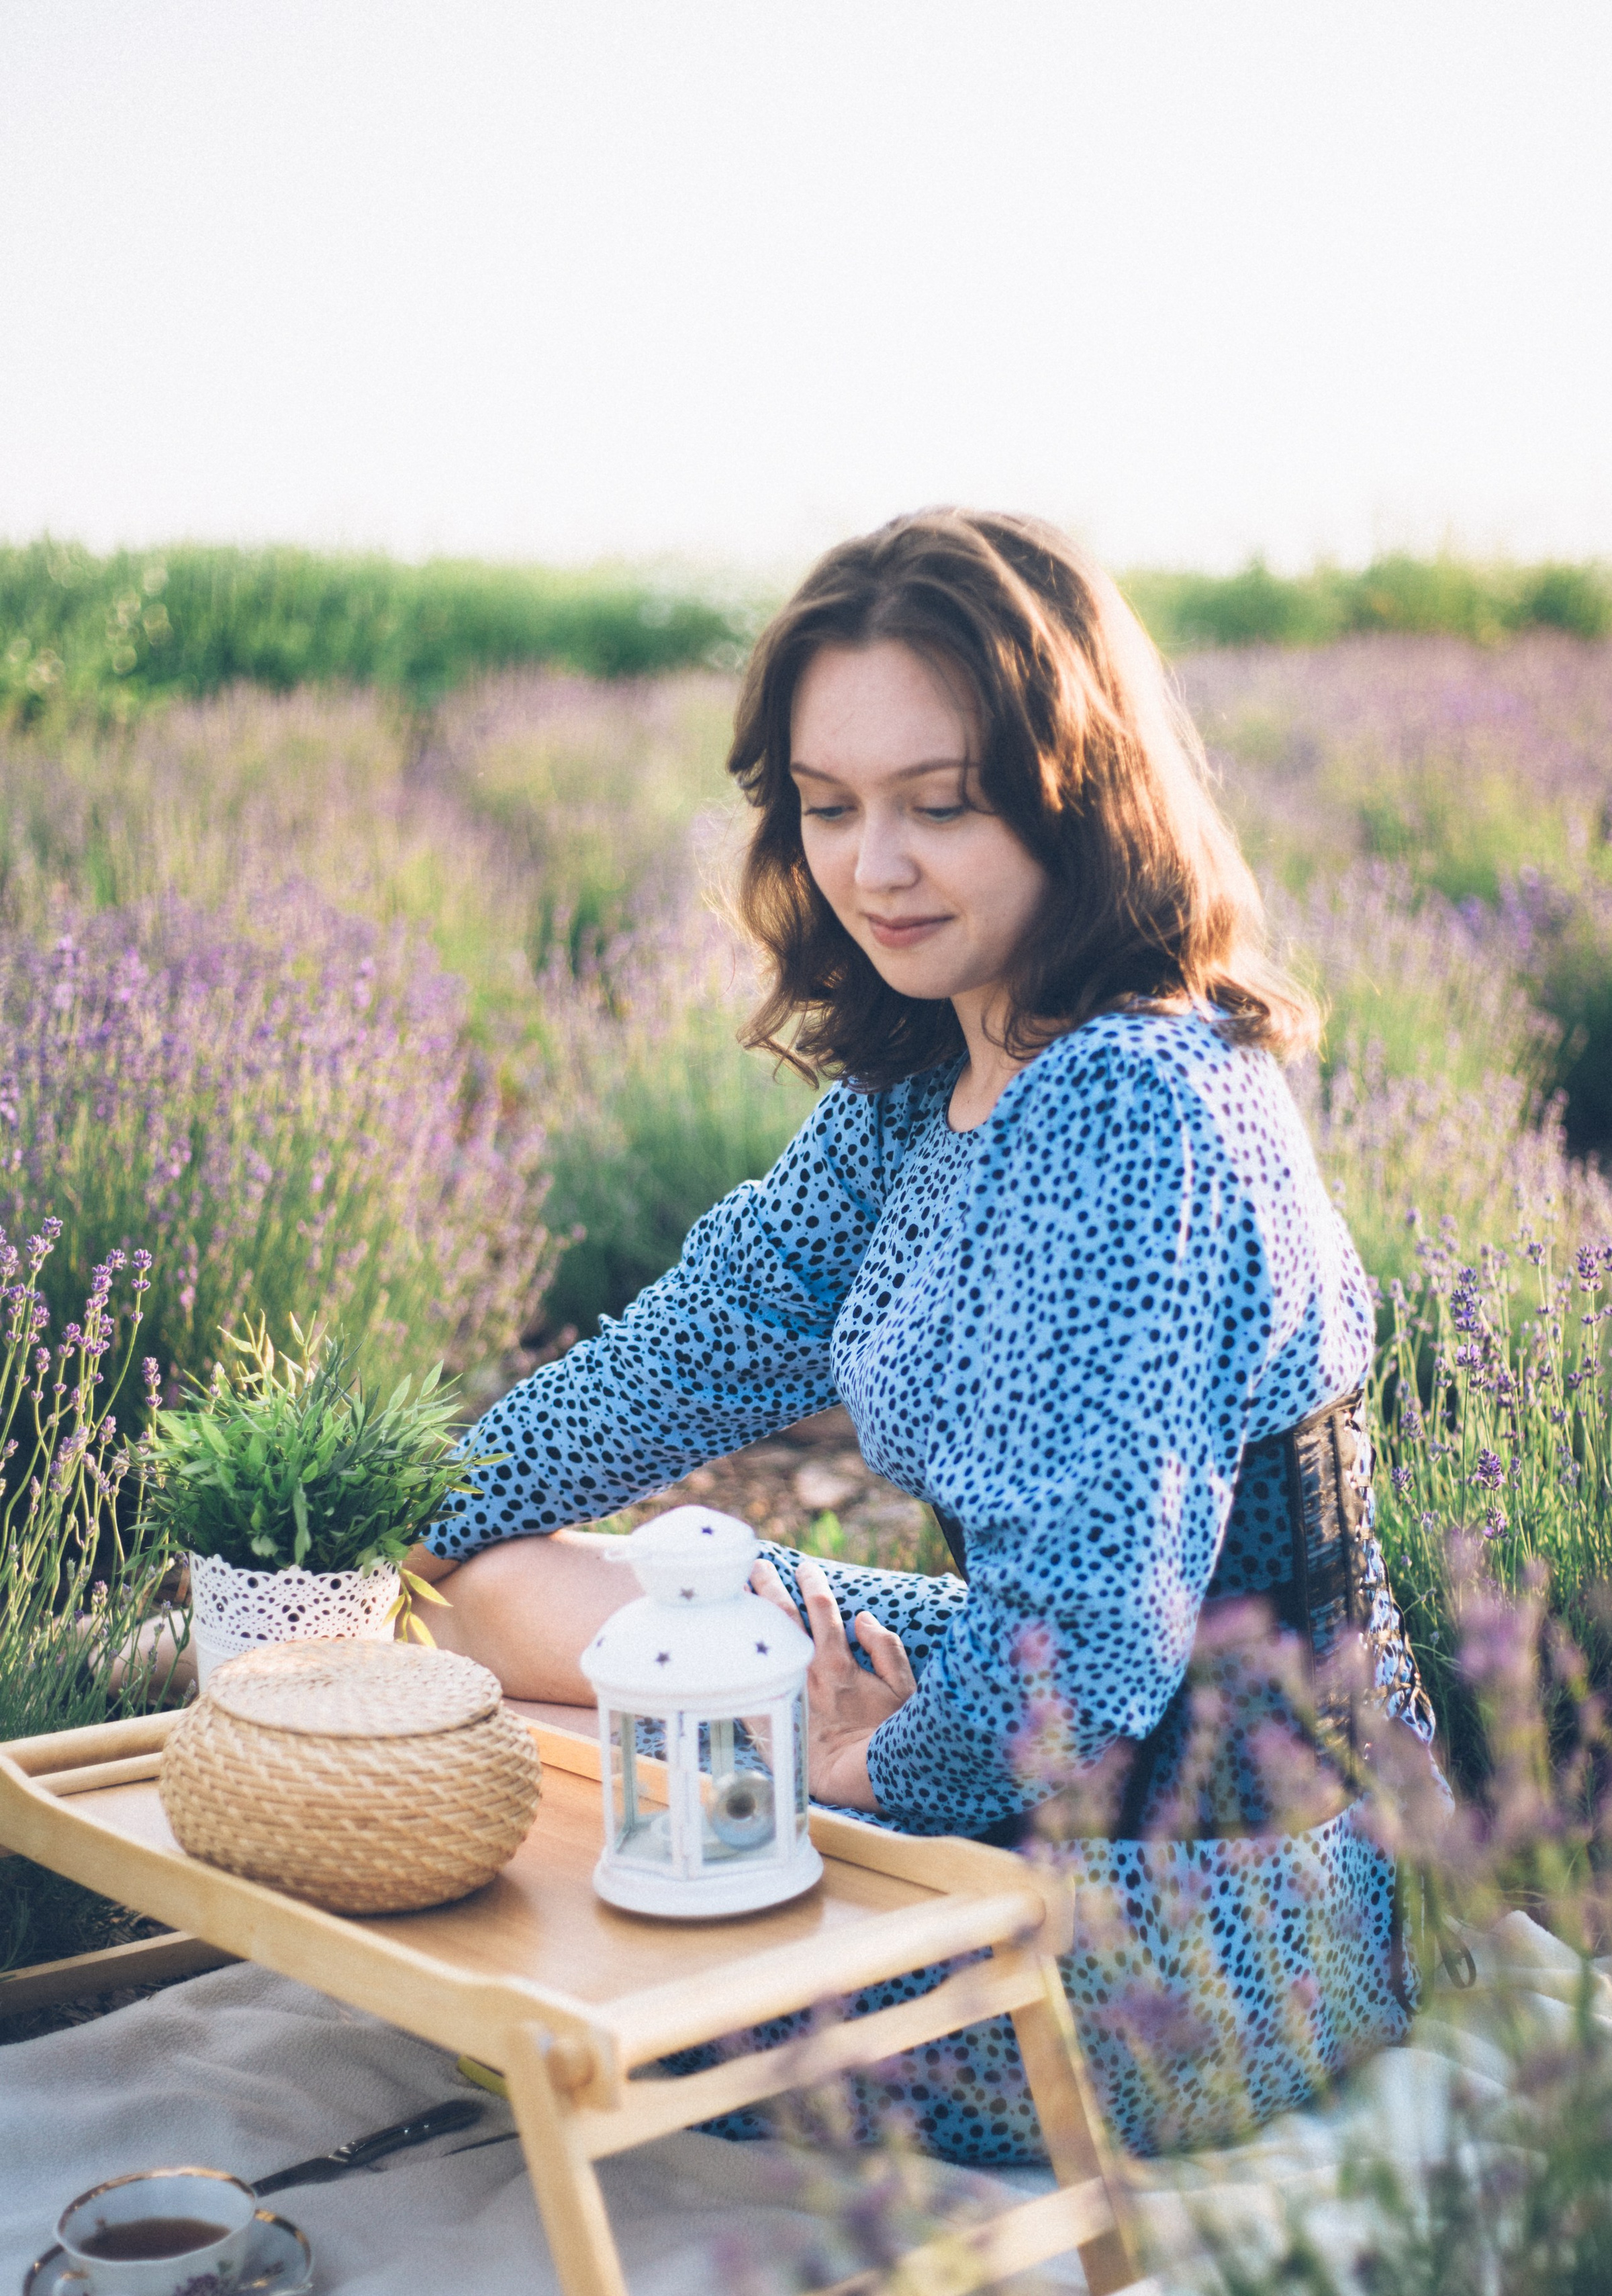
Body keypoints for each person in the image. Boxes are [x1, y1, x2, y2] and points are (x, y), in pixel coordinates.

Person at [406, 508, 1439, 2161]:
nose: (871, 867)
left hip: (1217, 1887)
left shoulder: (1134, 1110)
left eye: (937, 807)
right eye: (828, 808)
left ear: (1077, 796)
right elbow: (710, 1338)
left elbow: (1092, 1646)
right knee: (499, 1598)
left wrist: (869, 1772)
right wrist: (402, 1518)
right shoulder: (927, 1076)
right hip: (1021, 1705)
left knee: (599, 1997)